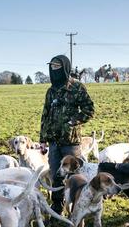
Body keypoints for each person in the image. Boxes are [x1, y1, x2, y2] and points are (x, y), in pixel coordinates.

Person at [39, 54, 95, 213]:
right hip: (54, 142)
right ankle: (57, 206)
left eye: (57, 66)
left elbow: (89, 110)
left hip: (71, 142)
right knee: (56, 175)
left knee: (75, 175)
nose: (54, 69)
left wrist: (73, 121)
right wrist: (42, 139)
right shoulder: (50, 91)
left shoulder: (77, 87)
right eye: (52, 67)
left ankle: (78, 205)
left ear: (65, 68)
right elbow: (45, 114)